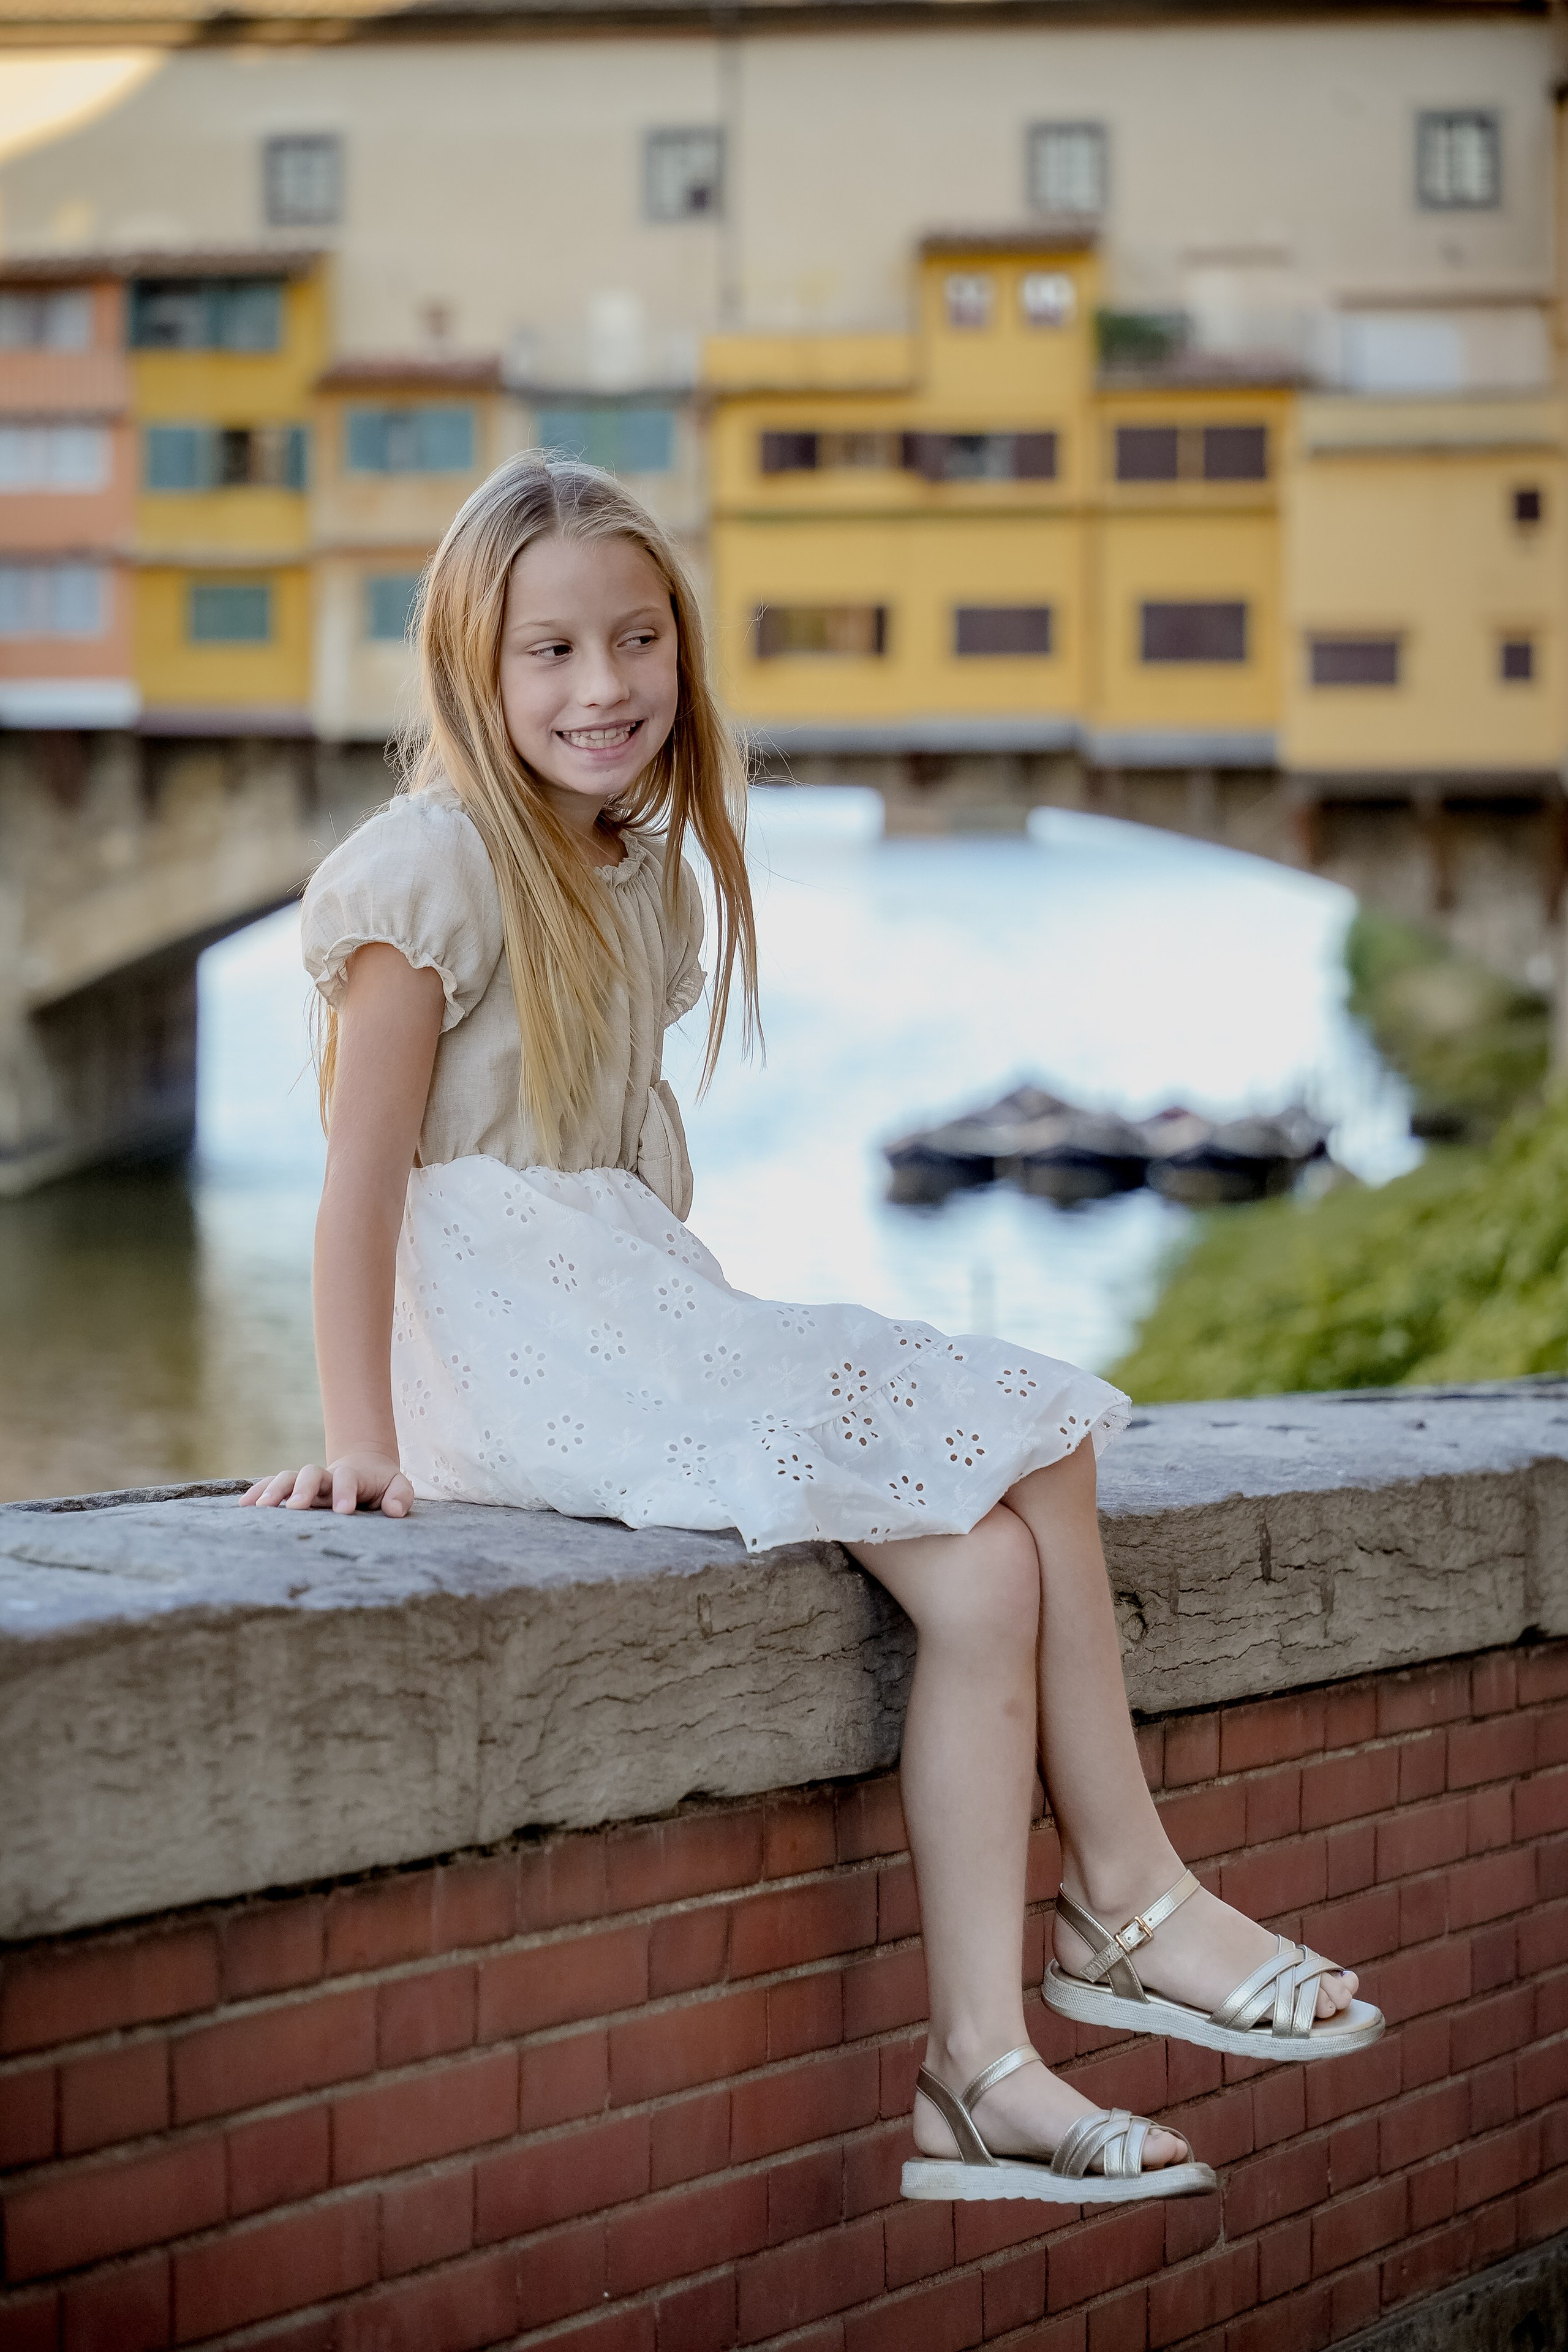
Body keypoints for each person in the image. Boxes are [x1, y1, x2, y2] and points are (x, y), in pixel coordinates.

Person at [244, 453, 1382, 2205]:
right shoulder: (432, 869)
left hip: (617, 1307)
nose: (605, 685)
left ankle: (979, 2069)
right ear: (475, 668)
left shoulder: (637, 875)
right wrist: (359, 1444)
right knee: (1027, 1428)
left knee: (995, 1554)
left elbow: (627, 1201)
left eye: (637, 639)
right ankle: (1128, 1899)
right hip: (508, 1345)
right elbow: (358, 1185)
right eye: (551, 651)